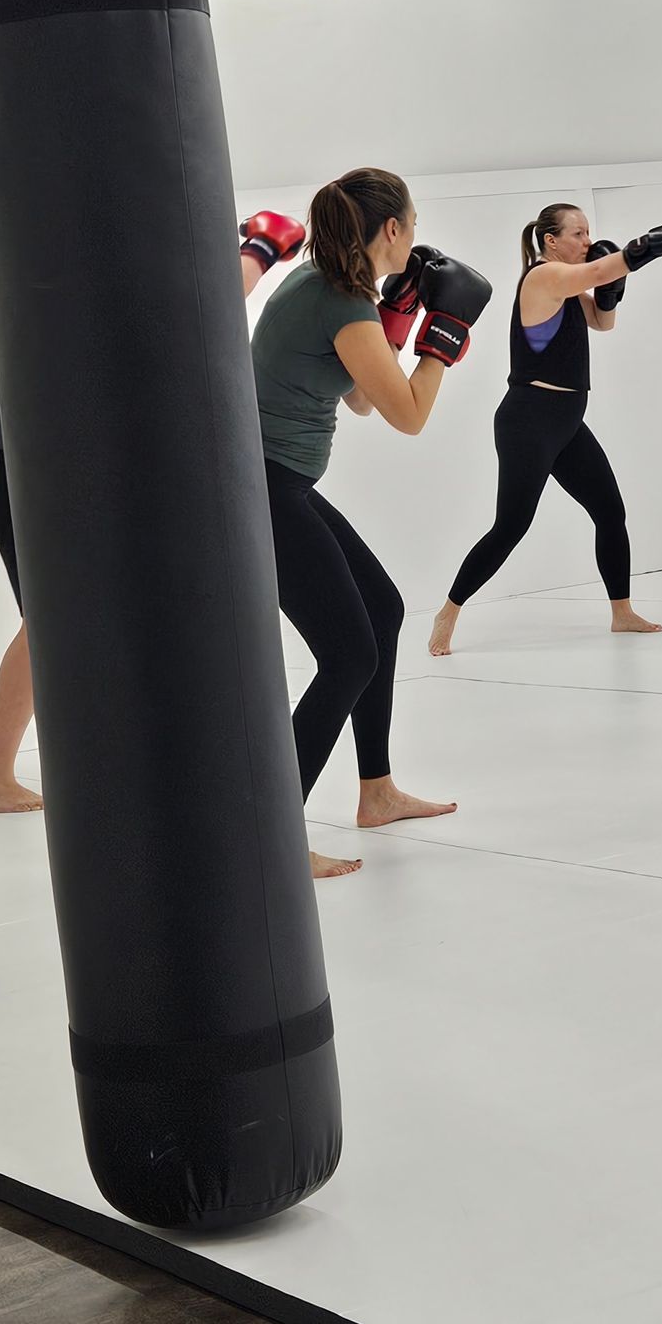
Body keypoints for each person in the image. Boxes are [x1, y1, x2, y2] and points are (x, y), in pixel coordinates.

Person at [0, 209, 308, 816]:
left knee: (87, 612)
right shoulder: (101, 276)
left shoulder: (87, 270)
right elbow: (195, 307)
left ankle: (82, 755)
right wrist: (257, 251)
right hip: (17, 450)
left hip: (42, 450)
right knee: (51, 617)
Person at [251, 168, 490, 879]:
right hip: (267, 488)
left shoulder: (325, 285)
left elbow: (356, 399)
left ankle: (377, 791)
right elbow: (408, 416)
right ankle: (271, 838)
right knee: (349, 655)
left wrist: (397, 321)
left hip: (277, 482)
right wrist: (442, 338)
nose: (414, 237)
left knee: (380, 610)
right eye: (411, 224)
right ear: (391, 230)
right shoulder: (341, 303)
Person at [427, 203, 662, 657]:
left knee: (609, 511)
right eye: (577, 233)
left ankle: (622, 612)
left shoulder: (571, 284)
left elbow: (603, 322)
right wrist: (661, 241)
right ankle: (450, 610)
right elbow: (601, 268)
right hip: (529, 419)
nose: (585, 240)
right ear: (550, 241)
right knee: (511, 525)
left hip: (567, 421)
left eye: (587, 233)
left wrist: (612, 293)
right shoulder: (543, 277)